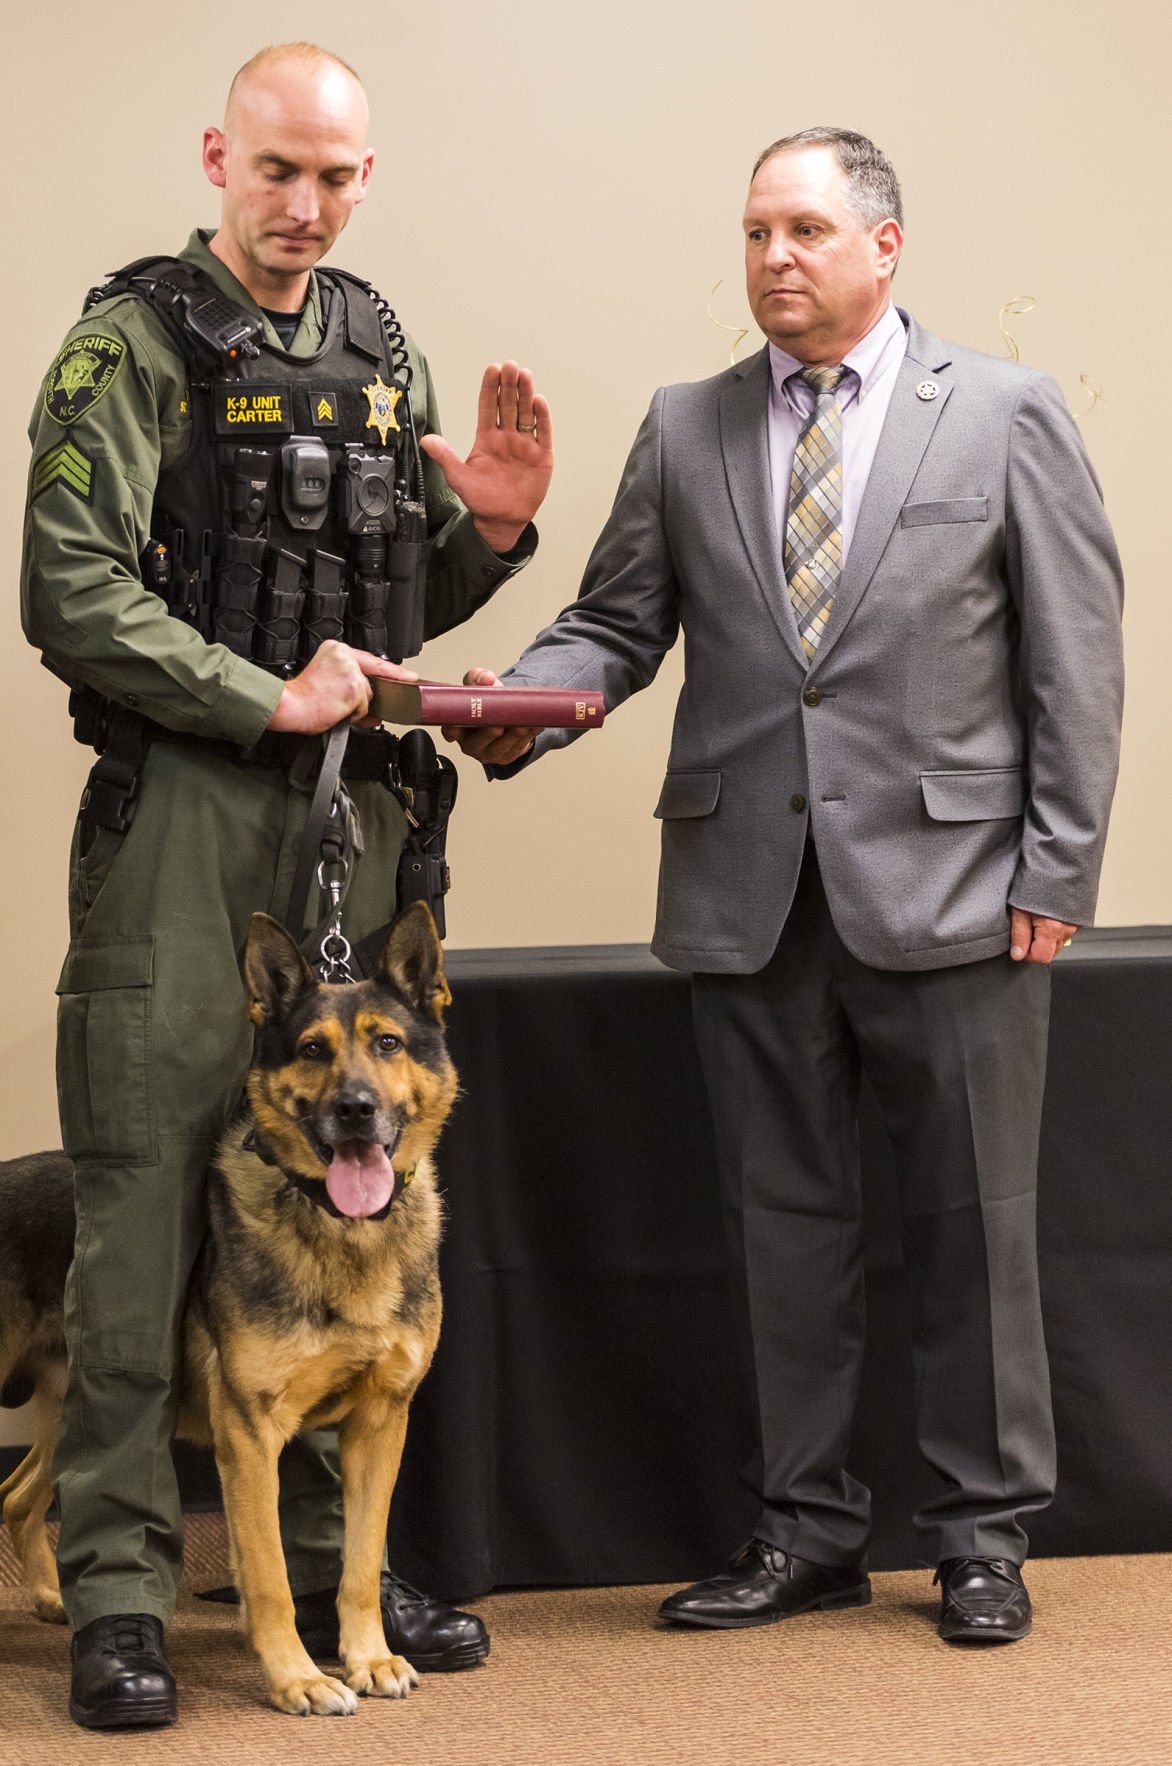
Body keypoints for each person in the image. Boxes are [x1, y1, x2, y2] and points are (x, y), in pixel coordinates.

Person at [450, 128, 1123, 1645]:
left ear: (886, 246)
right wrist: (520, 704)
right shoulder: (685, 427)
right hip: (748, 891)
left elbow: (1076, 657)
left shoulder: (1005, 413)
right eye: (757, 232)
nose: (774, 259)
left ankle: (977, 1538)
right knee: (780, 1228)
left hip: (961, 891)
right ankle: (805, 1529)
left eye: (806, 230)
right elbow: (610, 625)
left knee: (972, 1220)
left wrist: (1058, 864)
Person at [21, 42, 552, 1730]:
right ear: (218, 158)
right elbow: (70, 582)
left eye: (334, 177)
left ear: (364, 178)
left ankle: (344, 1572)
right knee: (141, 1222)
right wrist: (264, 698)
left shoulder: (374, 342)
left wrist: (495, 537)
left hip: (360, 818)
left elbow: (380, 593)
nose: (303, 206)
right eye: (276, 171)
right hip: (190, 815)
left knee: (357, 1203)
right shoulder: (132, 342)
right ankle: (120, 1588)